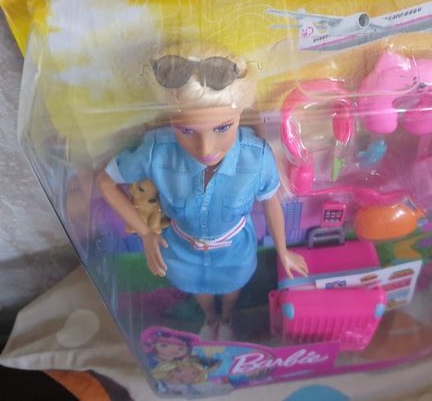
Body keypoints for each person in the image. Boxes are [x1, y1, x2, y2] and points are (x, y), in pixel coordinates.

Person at [97, 43, 308, 342]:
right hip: (180, 249)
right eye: (186, 130)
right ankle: (210, 318)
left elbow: (271, 201)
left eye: (223, 128)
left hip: (235, 249)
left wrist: (283, 250)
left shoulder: (255, 157)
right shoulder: (158, 151)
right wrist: (145, 233)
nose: (206, 148)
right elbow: (106, 182)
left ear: (240, 114)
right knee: (197, 290)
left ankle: (227, 317)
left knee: (233, 287)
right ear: (171, 121)